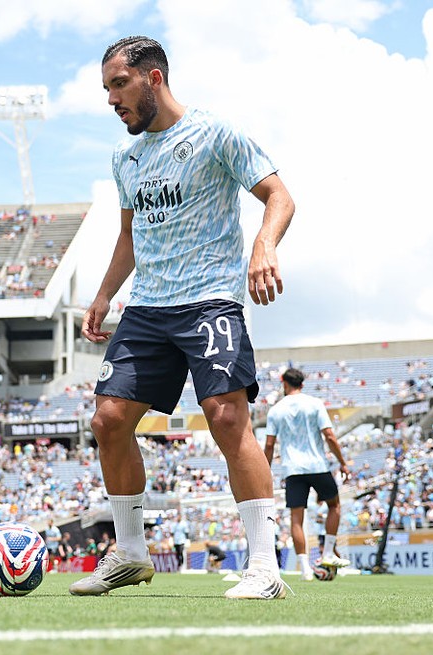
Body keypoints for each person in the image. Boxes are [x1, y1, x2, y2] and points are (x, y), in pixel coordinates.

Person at [72, 35, 295, 600]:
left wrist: (264, 246)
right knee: (109, 421)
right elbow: (128, 235)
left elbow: (280, 197)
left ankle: (265, 570)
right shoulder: (125, 158)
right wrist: (103, 296)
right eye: (106, 89)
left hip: (211, 298)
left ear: (154, 78)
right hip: (148, 306)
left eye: (118, 84)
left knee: (226, 418)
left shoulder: (215, 133)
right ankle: (129, 553)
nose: (110, 100)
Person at [264, 367, 351, 581]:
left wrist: (265, 470)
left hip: (292, 470)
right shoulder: (315, 404)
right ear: (302, 384)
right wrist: (342, 463)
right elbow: (329, 436)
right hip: (317, 465)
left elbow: (269, 444)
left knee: (296, 519)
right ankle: (328, 551)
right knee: (334, 505)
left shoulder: (275, 410)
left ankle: (304, 569)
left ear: (284, 383)